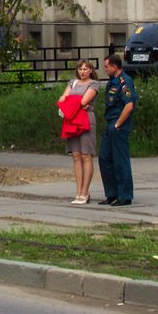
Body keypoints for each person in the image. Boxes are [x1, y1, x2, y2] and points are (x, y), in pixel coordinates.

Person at [57, 59, 99, 204]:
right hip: (72, 119)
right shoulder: (72, 83)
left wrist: (73, 101)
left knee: (86, 155)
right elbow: (63, 99)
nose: (82, 72)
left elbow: (84, 101)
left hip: (86, 120)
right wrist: (74, 101)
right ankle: (78, 191)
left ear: (91, 71)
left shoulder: (93, 84)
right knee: (76, 155)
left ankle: (85, 191)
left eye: (85, 69)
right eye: (80, 69)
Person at [98, 53, 136, 206]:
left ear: (114, 66)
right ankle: (112, 193)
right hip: (110, 123)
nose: (105, 69)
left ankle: (125, 195)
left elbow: (129, 105)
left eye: (107, 66)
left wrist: (118, 124)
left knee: (120, 160)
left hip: (119, 124)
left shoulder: (124, 82)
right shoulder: (111, 82)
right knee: (104, 158)